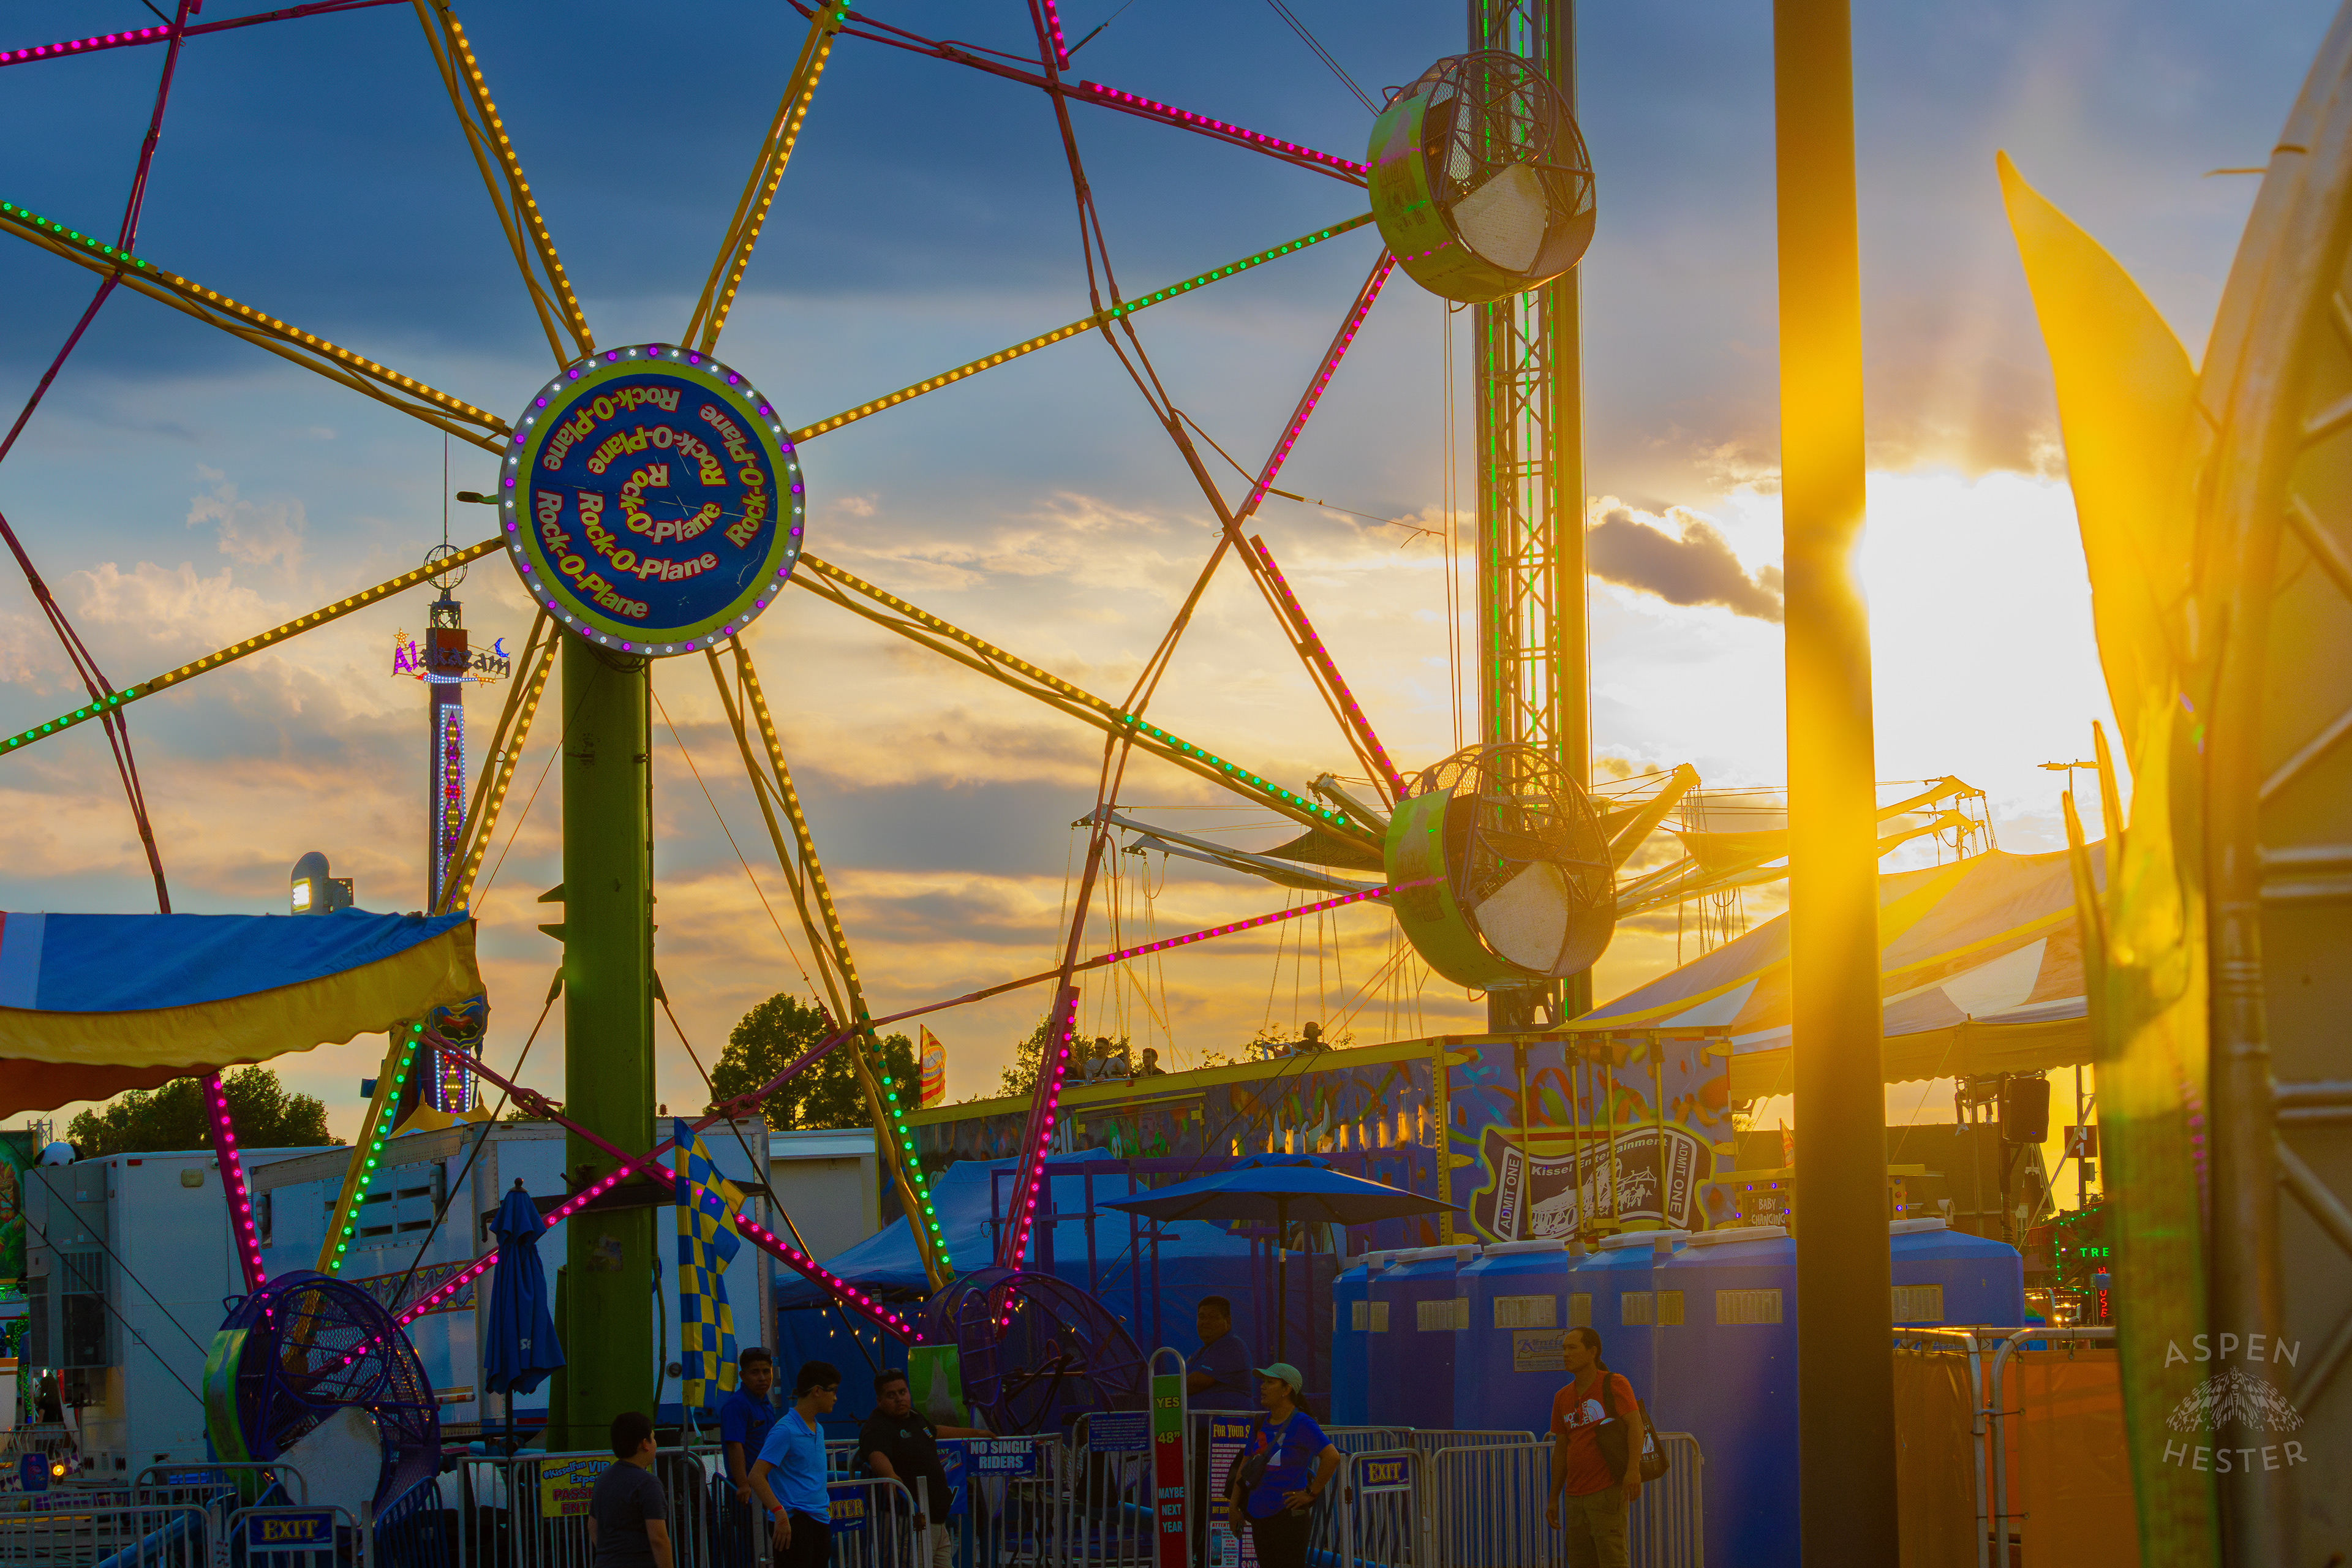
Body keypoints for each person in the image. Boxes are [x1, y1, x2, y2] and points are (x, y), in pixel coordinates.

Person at [859, 1368, 988, 1568]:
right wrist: (890, 1476)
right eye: (891, 1395)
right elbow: (876, 1454)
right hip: (909, 1523)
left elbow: (936, 1431)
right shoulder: (877, 1426)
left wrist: (976, 1433)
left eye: (903, 1392)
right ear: (879, 1400)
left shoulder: (914, 1416)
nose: (899, 1399)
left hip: (936, 1522)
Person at [1544, 1326, 1645, 1568]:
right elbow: (1561, 1450)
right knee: (1579, 1561)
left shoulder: (1614, 1383)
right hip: (1574, 1496)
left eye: (1573, 1347)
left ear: (1592, 1352)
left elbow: (1636, 1426)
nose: (1566, 1354)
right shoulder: (1562, 1397)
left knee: (1612, 1559)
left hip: (1606, 1491)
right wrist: (1553, 1498)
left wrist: (1633, 1470)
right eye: (1564, 1349)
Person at [1222, 1363, 1340, 1568]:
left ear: (1287, 1390)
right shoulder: (1260, 1421)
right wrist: (1233, 1507)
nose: (1263, 1387)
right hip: (1258, 1514)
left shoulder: (1302, 1423)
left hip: (1288, 1516)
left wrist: (1311, 1493)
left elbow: (1332, 1456)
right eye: (1263, 1381)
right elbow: (1245, 1465)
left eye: (1271, 1382)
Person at [750, 1360, 839, 1568]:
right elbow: (756, 1475)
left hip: (819, 1519)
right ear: (817, 1391)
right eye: (832, 1391)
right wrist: (779, 1512)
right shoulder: (785, 1431)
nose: (835, 1397)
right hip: (793, 1522)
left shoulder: (818, 1428)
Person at [587, 1411, 674, 1568]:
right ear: (644, 1444)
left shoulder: (603, 1478)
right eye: (653, 1437)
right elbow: (658, 1539)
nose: (655, 1443)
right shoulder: (648, 1483)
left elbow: (592, 1526)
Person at [717, 1348, 778, 1562]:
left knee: (769, 1548)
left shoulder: (765, 1402)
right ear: (742, 1376)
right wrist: (743, 1485)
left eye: (766, 1371)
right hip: (746, 1491)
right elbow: (735, 1447)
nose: (762, 1377)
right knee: (752, 1550)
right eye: (755, 1372)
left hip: (766, 1487)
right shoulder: (737, 1405)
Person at [1185, 1296, 1256, 1410]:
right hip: (1197, 1426)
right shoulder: (1198, 1354)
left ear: (1227, 1321)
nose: (1205, 1322)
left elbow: (1197, 1382)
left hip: (1228, 1426)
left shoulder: (1232, 1345)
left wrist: (1164, 1391)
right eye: (1201, 1317)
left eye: (1212, 1317)